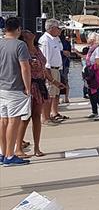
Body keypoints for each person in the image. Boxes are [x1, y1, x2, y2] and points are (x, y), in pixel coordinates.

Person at [17, 30, 61, 158]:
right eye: (26, 33)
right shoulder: (22, 50)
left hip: (40, 84)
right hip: (29, 85)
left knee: (36, 116)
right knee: (25, 118)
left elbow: (43, 68)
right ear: (23, 38)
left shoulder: (37, 49)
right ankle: (18, 147)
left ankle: (37, 147)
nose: (29, 33)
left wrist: (53, 81)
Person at [0, 17, 32, 166]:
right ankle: (10, 155)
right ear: (18, 29)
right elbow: (24, 67)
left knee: (3, 121)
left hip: (1, 87)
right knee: (14, 121)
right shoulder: (20, 45)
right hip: (15, 87)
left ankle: (2, 152)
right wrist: (27, 87)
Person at [38, 19, 68, 124]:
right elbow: (45, 60)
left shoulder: (54, 39)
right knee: (49, 95)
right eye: (58, 28)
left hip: (56, 68)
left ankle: (53, 113)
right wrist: (49, 76)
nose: (59, 30)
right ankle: (45, 118)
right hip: (50, 69)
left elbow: (60, 49)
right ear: (52, 28)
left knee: (55, 93)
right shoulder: (45, 40)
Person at [59, 30, 72, 104]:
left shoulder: (59, 42)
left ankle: (61, 98)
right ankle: (66, 97)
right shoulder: (66, 42)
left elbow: (67, 53)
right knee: (65, 81)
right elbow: (68, 53)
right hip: (65, 63)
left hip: (62, 64)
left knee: (60, 81)